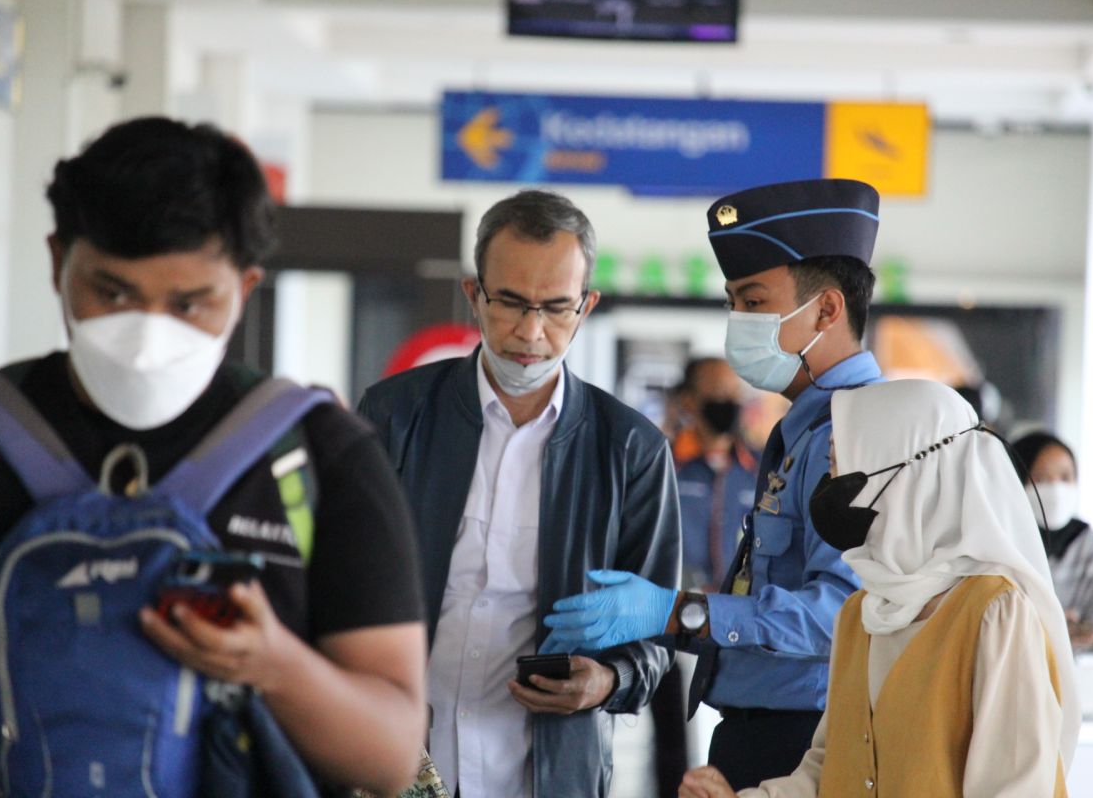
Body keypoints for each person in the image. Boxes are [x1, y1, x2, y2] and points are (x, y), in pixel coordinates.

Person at [0, 117, 427, 793]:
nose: (145, 335)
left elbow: (391, 754)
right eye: (110, 293)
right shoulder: (2, 435)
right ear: (56, 261)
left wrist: (273, 663)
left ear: (246, 288)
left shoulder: (321, 455)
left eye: (190, 303)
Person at [542, 178, 883, 789]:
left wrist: (679, 612)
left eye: (753, 302)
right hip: (766, 728)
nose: (737, 323)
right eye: (732, 303)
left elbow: (843, 613)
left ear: (827, 310)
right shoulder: (805, 427)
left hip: (805, 736)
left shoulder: (857, 433)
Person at [357, 189, 680, 798]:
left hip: (550, 772)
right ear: (473, 293)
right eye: (510, 303)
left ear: (586, 307)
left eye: (556, 308)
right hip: (397, 760)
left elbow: (656, 629)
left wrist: (609, 681)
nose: (531, 332)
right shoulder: (394, 416)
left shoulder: (631, 450)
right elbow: (339, 586)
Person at [679, 379, 1080, 798]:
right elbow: (831, 766)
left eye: (838, 470)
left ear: (909, 476)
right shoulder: (861, 613)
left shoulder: (996, 613)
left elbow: (1015, 785)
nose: (826, 489)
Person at [1012, 431, 1093, 649]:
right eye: (1041, 478)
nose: (1056, 489)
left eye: (1065, 478)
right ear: (1015, 480)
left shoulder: (1083, 539)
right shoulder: (1001, 539)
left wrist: (1088, 631)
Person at [676, 357, 759, 593]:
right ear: (689, 401)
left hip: (738, 613)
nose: (730, 401)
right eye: (720, 392)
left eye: (736, 392)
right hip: (674, 609)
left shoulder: (762, 469)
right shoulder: (664, 464)